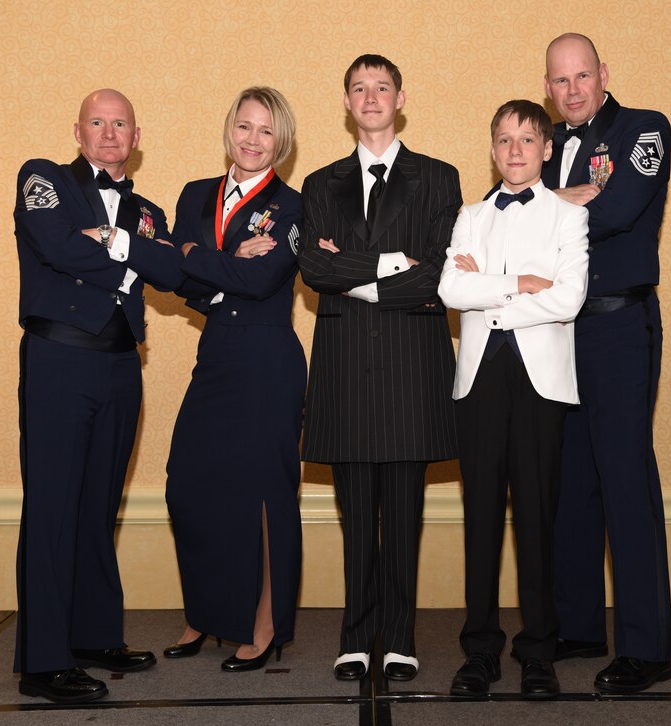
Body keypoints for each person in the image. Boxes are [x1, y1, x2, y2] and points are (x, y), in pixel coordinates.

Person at [13, 89, 183, 703]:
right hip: (60, 358)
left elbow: (172, 273)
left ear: (137, 138)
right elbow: (56, 246)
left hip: (120, 365)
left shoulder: (149, 209)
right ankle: (42, 661)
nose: (109, 134)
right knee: (54, 506)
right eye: (98, 123)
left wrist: (108, 242)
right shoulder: (43, 179)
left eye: (121, 125)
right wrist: (135, 255)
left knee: (97, 505)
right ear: (78, 131)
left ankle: (92, 635)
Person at [297, 54, 461, 683]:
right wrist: (395, 265)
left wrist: (358, 271)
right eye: (359, 88)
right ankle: (356, 635)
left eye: (382, 87)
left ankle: (399, 637)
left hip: (411, 370)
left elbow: (441, 274)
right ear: (346, 101)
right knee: (356, 513)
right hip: (345, 371)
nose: (371, 97)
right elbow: (315, 269)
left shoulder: (439, 178)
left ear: (400, 98)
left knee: (405, 513)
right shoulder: (320, 183)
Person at [439, 100, 589, 700]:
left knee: (536, 516)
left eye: (528, 139)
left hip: (540, 383)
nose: (516, 150)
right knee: (480, 518)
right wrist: (521, 284)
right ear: (493, 149)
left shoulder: (567, 217)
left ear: (547, 148)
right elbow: (451, 287)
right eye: (504, 140)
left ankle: (538, 652)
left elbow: (569, 300)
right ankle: (479, 649)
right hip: (479, 380)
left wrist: (490, 296)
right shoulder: (471, 215)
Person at [541, 33, 671, 692]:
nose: (572, 90)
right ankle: (580, 625)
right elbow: (509, 222)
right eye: (560, 81)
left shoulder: (643, 129)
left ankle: (647, 648)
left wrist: (544, 205)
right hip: (560, 333)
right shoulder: (542, 146)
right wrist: (576, 195)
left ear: (603, 75)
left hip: (620, 324)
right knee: (572, 484)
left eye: (582, 76)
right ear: (548, 87)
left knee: (625, 480)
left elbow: (620, 208)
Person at [163, 87, 305, 672]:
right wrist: (222, 258)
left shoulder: (294, 206)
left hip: (268, 360)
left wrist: (201, 256)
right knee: (188, 485)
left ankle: (266, 624)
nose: (252, 139)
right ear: (229, 130)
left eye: (266, 131)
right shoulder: (196, 194)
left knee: (266, 496)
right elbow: (176, 276)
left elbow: (263, 279)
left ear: (282, 142)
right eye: (244, 126)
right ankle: (207, 612)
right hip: (216, 354)